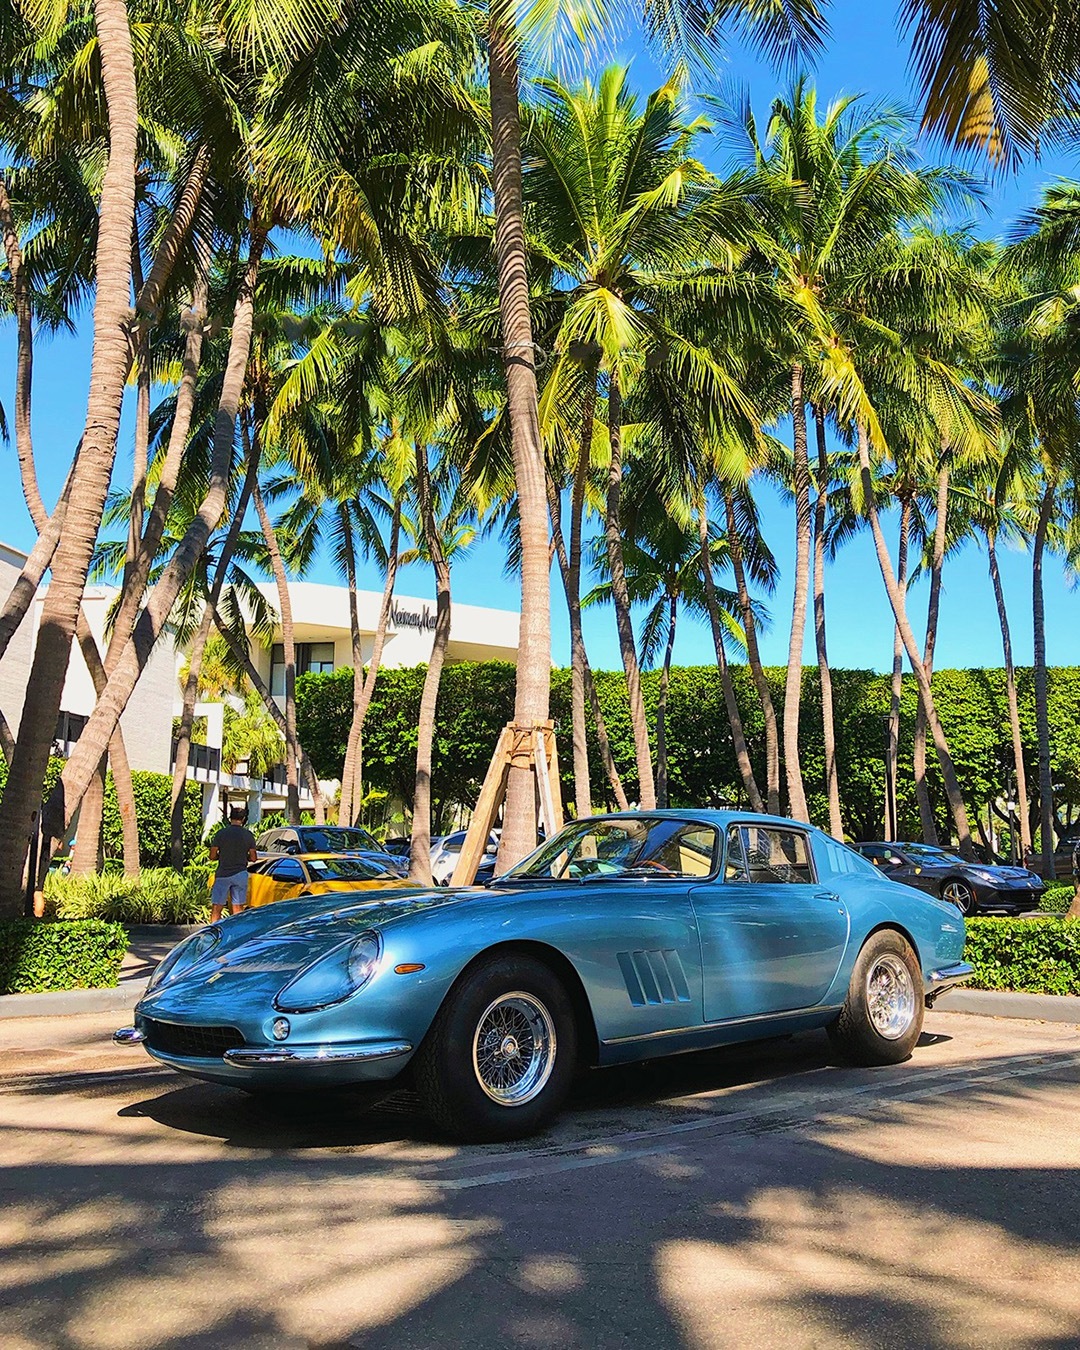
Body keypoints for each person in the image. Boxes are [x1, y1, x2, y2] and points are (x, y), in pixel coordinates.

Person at [209, 805, 258, 921]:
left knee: (217, 908)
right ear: (243, 819)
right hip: (240, 873)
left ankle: (213, 934)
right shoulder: (248, 835)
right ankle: (236, 935)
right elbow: (254, 858)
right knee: (238, 908)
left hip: (223, 874)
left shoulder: (221, 834)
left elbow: (212, 855)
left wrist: (219, 856)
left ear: (230, 817)